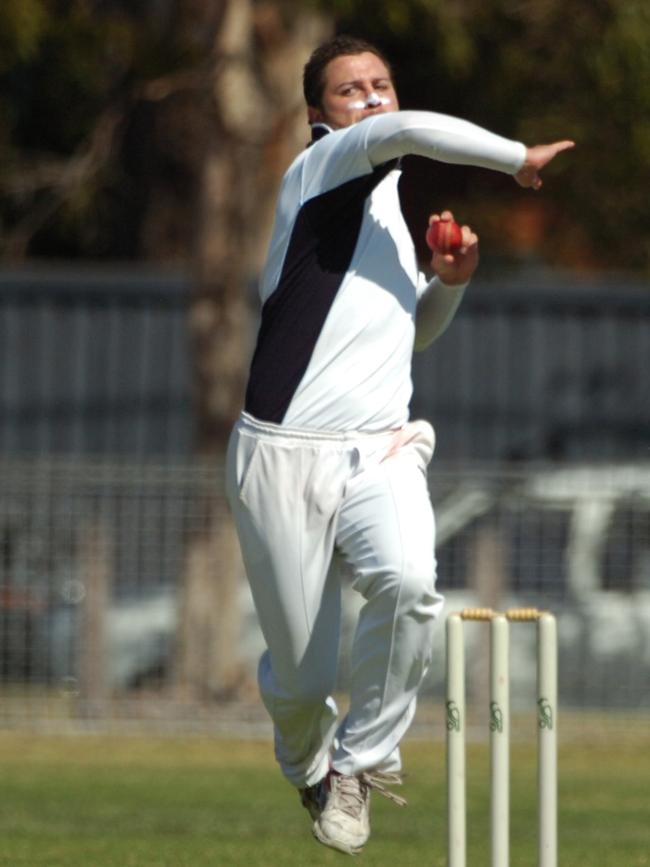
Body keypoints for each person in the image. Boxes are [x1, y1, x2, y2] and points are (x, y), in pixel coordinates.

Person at [225, 34, 574, 856]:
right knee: (305, 679)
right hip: (282, 453)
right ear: (320, 115)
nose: (373, 99)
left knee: (413, 580)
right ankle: (305, 755)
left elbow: (409, 338)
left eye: (382, 83)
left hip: (381, 445)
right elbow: (405, 130)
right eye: (352, 90)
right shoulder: (320, 172)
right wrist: (517, 158)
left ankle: (360, 761)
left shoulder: (388, 207)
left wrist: (448, 284)